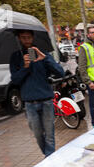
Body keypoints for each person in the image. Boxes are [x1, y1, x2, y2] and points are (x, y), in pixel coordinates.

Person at [10, 29, 65, 157]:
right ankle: (49, 157)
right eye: (23, 37)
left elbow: (60, 73)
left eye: (29, 37)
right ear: (19, 38)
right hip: (29, 103)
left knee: (49, 134)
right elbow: (15, 80)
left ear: (33, 38)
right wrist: (25, 67)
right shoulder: (15, 57)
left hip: (46, 100)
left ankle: (49, 160)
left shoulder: (43, 54)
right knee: (38, 134)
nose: (26, 40)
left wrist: (45, 59)